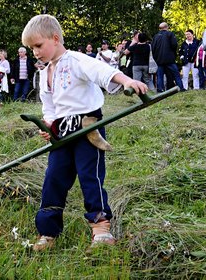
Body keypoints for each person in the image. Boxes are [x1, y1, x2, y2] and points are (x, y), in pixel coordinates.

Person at [21, 14, 148, 251]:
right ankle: (48, 232)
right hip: (62, 132)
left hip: (87, 127)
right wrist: (49, 126)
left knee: (90, 177)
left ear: (55, 38)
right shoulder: (43, 73)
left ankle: (101, 229)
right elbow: (49, 107)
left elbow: (103, 72)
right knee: (54, 179)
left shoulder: (76, 60)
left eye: (38, 46)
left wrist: (127, 81)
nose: (35, 52)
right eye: (32, 48)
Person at [151, 22, 184, 92]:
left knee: (160, 76)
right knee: (176, 74)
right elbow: (174, 45)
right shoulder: (170, 34)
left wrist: (156, 58)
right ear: (167, 27)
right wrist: (173, 55)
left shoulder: (156, 36)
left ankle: (160, 89)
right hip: (169, 59)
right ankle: (181, 88)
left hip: (159, 59)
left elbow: (153, 48)